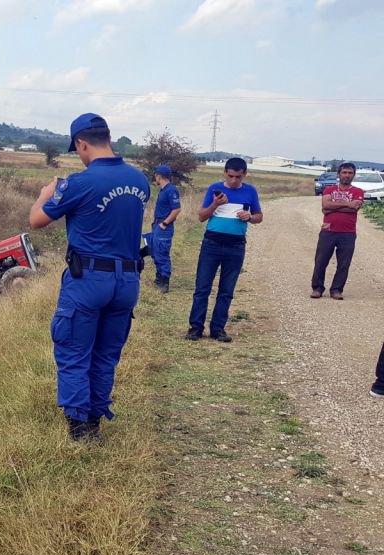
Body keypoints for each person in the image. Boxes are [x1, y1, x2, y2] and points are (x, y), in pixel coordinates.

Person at [29, 113, 149, 441]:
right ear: (108, 138)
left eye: (77, 149)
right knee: (106, 354)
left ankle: (80, 427)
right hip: (127, 282)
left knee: (74, 350)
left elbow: (37, 220)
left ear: (81, 143)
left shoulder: (77, 184)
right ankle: (96, 415)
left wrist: (45, 192)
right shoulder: (140, 181)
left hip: (88, 281)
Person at [186, 157, 263, 343]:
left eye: (238, 177)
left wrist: (249, 217)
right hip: (211, 244)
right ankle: (196, 328)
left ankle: (218, 329)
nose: (234, 180)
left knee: (226, 290)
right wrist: (215, 204)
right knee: (202, 288)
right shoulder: (214, 189)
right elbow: (202, 217)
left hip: (236, 245)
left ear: (244, 174)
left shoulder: (250, 191)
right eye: (230, 176)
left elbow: (259, 217)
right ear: (224, 173)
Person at [310, 162, 363, 300]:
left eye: (350, 173)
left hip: (348, 232)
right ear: (339, 174)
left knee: (344, 263)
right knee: (321, 260)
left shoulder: (358, 192)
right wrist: (347, 204)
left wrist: (332, 207)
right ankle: (317, 288)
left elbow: (354, 208)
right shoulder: (329, 189)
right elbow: (325, 205)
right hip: (328, 230)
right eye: (344, 172)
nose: (347, 175)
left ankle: (336, 289)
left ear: (354, 175)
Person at [148, 164, 182, 293]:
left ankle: (164, 281)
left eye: (156, 175)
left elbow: (177, 209)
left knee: (162, 253)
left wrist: (165, 223)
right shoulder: (163, 190)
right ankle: (158, 278)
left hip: (164, 226)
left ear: (159, 176)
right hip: (157, 225)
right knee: (155, 252)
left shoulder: (170, 190)